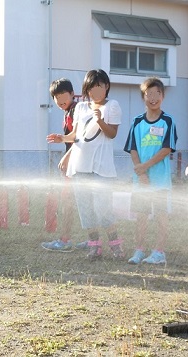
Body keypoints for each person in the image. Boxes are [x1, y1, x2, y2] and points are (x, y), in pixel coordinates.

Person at [46, 69, 124, 260]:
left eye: (100, 86)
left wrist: (100, 120)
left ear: (106, 87)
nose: (96, 91)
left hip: (102, 168)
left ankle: (116, 246)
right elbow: (76, 136)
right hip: (80, 166)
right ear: (86, 89)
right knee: (86, 209)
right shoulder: (81, 108)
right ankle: (94, 246)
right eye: (92, 87)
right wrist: (62, 138)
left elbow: (112, 133)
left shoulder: (112, 106)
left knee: (102, 208)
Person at [124, 77, 178, 265]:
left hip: (160, 180)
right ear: (143, 97)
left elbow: (167, 149)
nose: (153, 98)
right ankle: (138, 250)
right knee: (141, 215)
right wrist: (141, 172)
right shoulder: (137, 121)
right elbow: (132, 148)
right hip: (141, 180)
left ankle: (159, 252)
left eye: (157, 94)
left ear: (162, 96)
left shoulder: (168, 121)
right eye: (149, 94)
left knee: (161, 215)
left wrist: (145, 167)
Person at [41, 78, 78, 252]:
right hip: (74, 163)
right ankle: (94, 241)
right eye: (57, 98)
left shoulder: (76, 110)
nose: (61, 101)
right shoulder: (68, 111)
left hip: (76, 164)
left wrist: (67, 157)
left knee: (69, 202)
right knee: (73, 202)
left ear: (72, 94)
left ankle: (65, 240)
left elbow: (80, 139)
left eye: (64, 96)